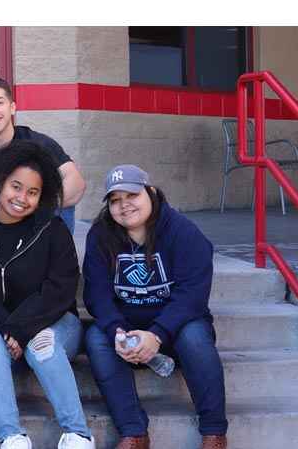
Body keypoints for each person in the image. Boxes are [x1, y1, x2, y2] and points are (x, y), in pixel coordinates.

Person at [0, 141, 93, 449]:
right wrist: (9, 328)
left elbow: (60, 289)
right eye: (16, 186)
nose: (22, 199)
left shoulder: (52, 229)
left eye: (33, 192)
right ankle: (12, 436)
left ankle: (78, 434)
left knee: (42, 342)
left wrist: (23, 328)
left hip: (54, 324)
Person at [83, 165, 227, 449]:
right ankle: (134, 432)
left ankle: (214, 432)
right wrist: (117, 331)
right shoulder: (101, 236)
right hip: (128, 328)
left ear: (152, 193)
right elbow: (97, 294)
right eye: (115, 200)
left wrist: (157, 334)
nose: (125, 205)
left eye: (132, 195)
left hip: (175, 328)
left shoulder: (183, 232)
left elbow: (192, 295)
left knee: (195, 336)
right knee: (96, 338)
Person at [0, 77, 85, 233]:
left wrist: (30, 202)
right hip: (0, 231)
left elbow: (76, 183)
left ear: (12, 108)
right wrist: (6, 205)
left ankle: (56, 254)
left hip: (39, 227)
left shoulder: (38, 143)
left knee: (58, 195)